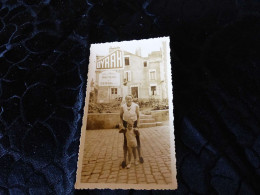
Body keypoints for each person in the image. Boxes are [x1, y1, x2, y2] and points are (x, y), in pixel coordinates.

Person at [120, 95, 143, 168]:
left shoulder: (136, 106)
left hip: (134, 123)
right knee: (126, 140)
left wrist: (137, 126)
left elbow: (138, 116)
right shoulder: (122, 106)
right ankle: (125, 159)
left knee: (137, 140)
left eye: (130, 99)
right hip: (126, 124)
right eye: (127, 99)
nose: (129, 100)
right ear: (125, 100)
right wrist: (121, 125)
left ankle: (139, 156)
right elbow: (120, 117)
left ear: (132, 99)